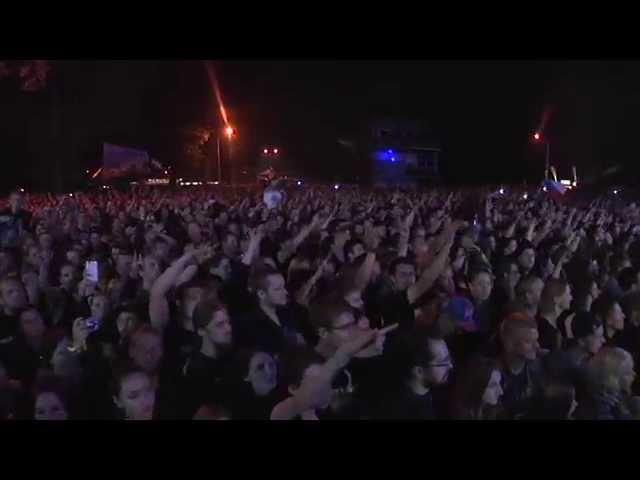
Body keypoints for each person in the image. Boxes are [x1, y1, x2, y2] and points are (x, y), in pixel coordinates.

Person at [182, 296, 234, 417]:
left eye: (228, 322)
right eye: (220, 325)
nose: (228, 329)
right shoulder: (195, 370)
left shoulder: (230, 357)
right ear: (201, 331)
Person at [497, 313, 543, 419]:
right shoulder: (494, 375)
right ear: (509, 343)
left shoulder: (537, 368)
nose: (537, 346)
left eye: (536, 340)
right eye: (528, 341)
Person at [576, 347, 636, 420]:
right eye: (628, 372)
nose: (634, 374)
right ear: (613, 379)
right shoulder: (599, 410)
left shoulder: (615, 396)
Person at [537, 279, 573, 352]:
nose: (571, 298)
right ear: (556, 299)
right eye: (568, 294)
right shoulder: (546, 330)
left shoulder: (559, 324)